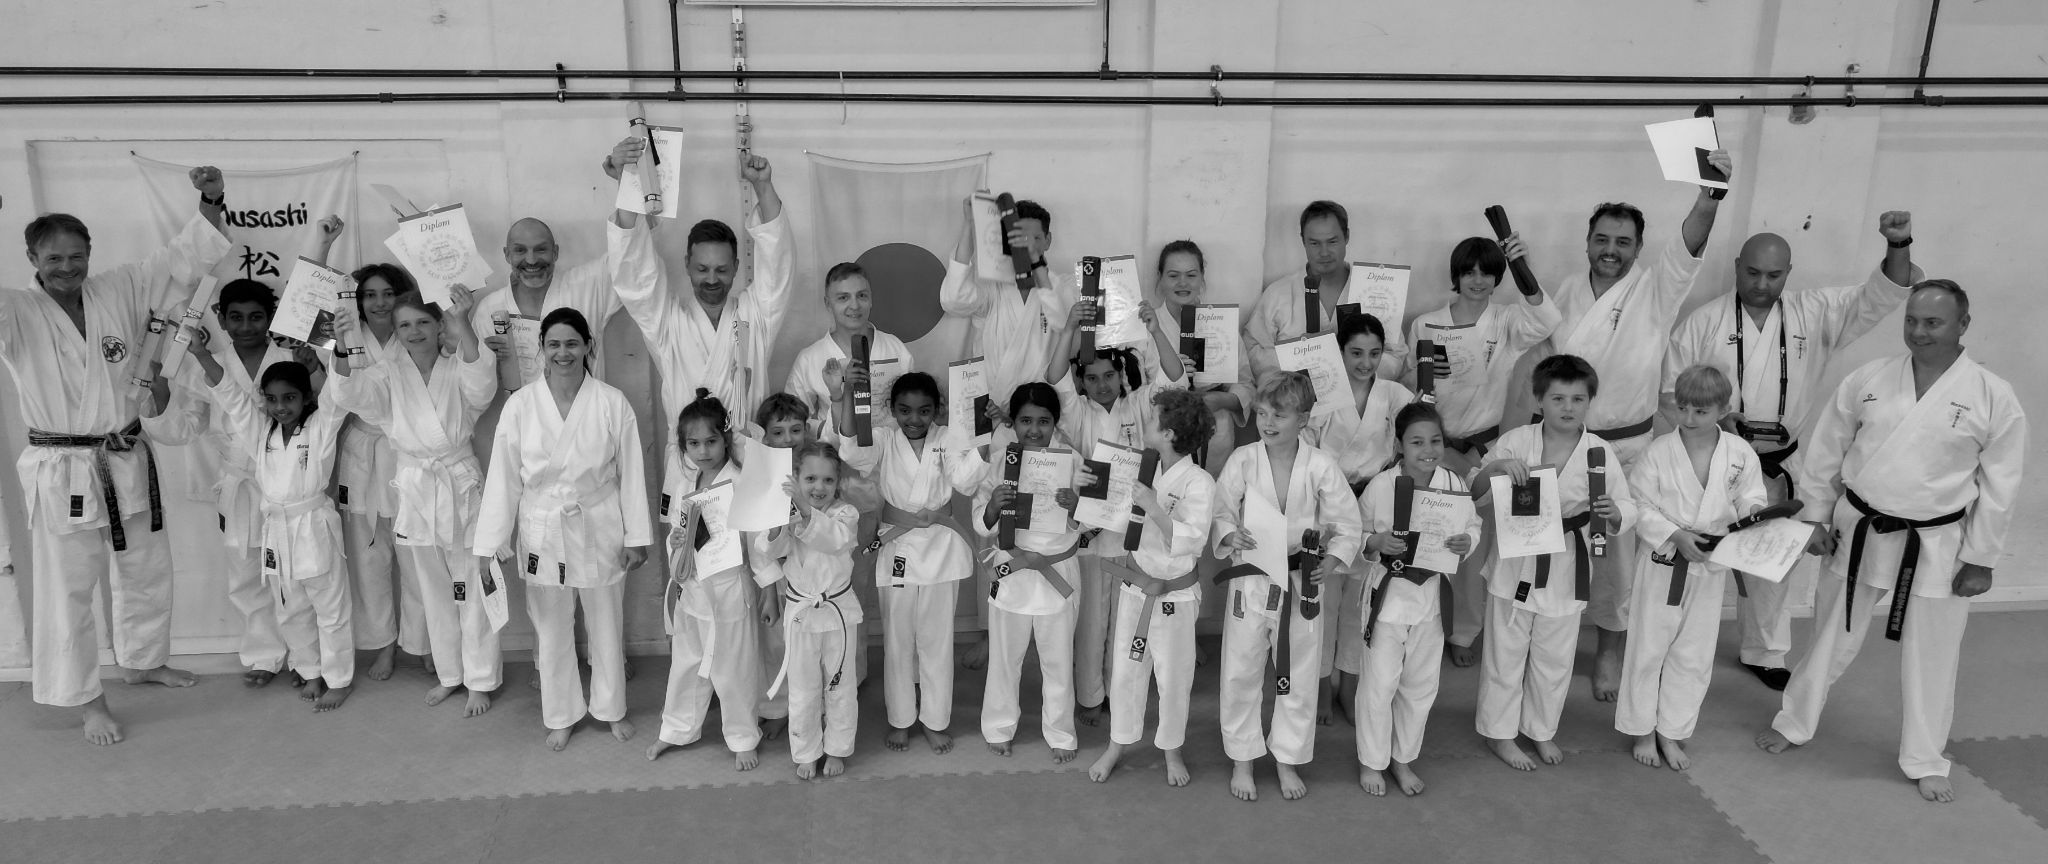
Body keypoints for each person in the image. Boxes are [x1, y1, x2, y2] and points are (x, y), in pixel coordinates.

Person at [1756, 280, 2026, 804]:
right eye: (1911, 320)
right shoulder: (1870, 378)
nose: (1919, 332)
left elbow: (2002, 485)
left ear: (1963, 325)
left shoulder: (1993, 395)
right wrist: (1814, 517)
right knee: (1829, 633)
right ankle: (1794, 722)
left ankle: (1925, 758)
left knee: (1933, 653)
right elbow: (1827, 450)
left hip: (1938, 542)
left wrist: (1982, 558)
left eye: (1933, 322)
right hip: (1859, 528)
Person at [2, 164, 231, 744]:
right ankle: (88, 700)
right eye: (53, 258)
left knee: (146, 569)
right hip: (64, 468)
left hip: (125, 453)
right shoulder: (17, 312)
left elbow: (182, 259)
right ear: (32, 259)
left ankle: (143, 661)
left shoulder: (118, 288)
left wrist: (211, 199)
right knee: (70, 589)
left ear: (90, 253)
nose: (67, 267)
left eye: (76, 255)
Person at [1662, 212, 1920, 690]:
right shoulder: (1702, 323)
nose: (1761, 284)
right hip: (1716, 457)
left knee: (1773, 558)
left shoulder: (1815, 312)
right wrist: (1715, 422)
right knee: (1699, 555)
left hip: (1782, 460)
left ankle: (1764, 651)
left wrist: (1898, 243)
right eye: (1752, 272)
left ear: (1788, 273)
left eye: (1773, 275)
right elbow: (1669, 393)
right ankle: (1674, 645)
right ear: (1736, 267)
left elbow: (1881, 294)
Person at [1546, 151, 1731, 702]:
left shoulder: (1656, 289)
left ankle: (1610, 648)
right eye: (1602, 239)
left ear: (1639, 248)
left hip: (1626, 448)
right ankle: (1548, 635)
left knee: (1616, 557)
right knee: (1553, 545)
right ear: (1587, 242)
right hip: (1564, 442)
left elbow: (1689, 244)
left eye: (1623, 242)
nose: (1611, 250)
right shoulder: (1565, 291)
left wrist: (1709, 195)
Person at [474, 308, 652, 751]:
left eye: (572, 343)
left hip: (599, 520)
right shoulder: (520, 405)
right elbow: (503, 478)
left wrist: (636, 538)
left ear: (588, 345)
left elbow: (631, 472)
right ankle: (561, 713)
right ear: (542, 349)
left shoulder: (611, 402)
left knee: (605, 620)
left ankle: (610, 708)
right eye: (553, 344)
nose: (563, 352)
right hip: (543, 525)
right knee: (551, 627)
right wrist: (490, 543)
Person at [329, 289, 500, 716]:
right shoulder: (387, 374)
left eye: (423, 322)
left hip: (458, 482)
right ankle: (450, 675)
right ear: (396, 331)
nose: (414, 331)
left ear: (439, 325)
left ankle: (480, 679)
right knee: (433, 589)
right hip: (417, 488)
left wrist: (463, 322)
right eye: (404, 325)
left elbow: (482, 386)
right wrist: (341, 344)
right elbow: (351, 396)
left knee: (473, 584)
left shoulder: (456, 366)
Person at [1472, 355, 1637, 771]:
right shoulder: (1516, 441)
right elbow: (1476, 489)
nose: (1568, 407)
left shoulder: (1599, 452)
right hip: (1516, 562)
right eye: (1558, 398)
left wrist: (1616, 512)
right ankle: (1499, 733)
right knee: (1505, 654)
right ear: (1539, 400)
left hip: (1567, 564)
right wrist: (1496, 467)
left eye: (1578, 399)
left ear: (1589, 402)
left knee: (1555, 659)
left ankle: (1541, 729)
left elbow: (1627, 504)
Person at [1406, 235, 1560, 667]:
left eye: (1487, 272)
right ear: (1455, 275)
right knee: (1429, 533)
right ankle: (1418, 626)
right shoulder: (1426, 324)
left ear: (1497, 277)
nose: (1477, 280)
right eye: (1469, 271)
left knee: (1473, 546)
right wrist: (1426, 377)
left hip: (1485, 446)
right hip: (1434, 447)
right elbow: (1407, 384)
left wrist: (1521, 263)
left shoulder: (1507, 320)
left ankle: (1465, 630)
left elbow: (1548, 319)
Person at [1211, 371, 1364, 802]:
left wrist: (1333, 560)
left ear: (1304, 418)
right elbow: (1220, 511)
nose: (1267, 422)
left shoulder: (1320, 465)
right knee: (1240, 669)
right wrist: (1229, 535)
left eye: (1279, 414)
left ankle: (1287, 758)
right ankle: (1242, 758)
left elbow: (1348, 523)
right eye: (1262, 413)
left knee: (1297, 672)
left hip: (1301, 581)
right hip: (1251, 579)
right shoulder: (1243, 459)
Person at [611, 151, 791, 512]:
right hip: (689, 467)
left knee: (757, 548)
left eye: (722, 270)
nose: (712, 279)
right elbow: (636, 277)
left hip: (747, 463)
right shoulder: (667, 322)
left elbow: (777, 263)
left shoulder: (755, 316)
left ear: (737, 267)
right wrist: (628, 183)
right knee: (687, 549)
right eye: (702, 269)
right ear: (687, 266)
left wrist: (763, 186)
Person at [942, 197, 1076, 674]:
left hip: (1038, 421)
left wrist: (1034, 265)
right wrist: (968, 225)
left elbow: (1062, 320)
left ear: (1047, 241)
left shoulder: (1060, 284)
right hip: (992, 419)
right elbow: (953, 299)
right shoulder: (993, 286)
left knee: (1043, 517)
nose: (1024, 245)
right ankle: (992, 624)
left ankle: (1047, 623)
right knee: (992, 518)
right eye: (1015, 238)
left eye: (1033, 237)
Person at [187, 334, 354, 710]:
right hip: (276, 531)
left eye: (290, 398)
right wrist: (199, 352)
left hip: (313, 527)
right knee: (290, 608)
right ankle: (310, 671)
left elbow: (338, 389)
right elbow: (229, 394)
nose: (280, 407)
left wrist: (342, 342)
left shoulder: (322, 426)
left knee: (331, 610)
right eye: (272, 399)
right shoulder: (260, 432)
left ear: (306, 398)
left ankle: (339, 679)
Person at [1617, 365, 1767, 770]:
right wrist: (1676, 535)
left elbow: (1750, 495)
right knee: (1647, 648)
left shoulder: (1739, 452)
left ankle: (1671, 731)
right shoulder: (1658, 451)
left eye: (1700, 411)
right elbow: (1639, 504)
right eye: (1682, 408)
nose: (1688, 418)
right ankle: (1641, 730)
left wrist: (1754, 512)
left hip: (1711, 562)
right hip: (1664, 560)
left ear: (1723, 410)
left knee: (1694, 654)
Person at [1045, 297, 1185, 725]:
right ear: (1082, 381)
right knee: (1092, 622)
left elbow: (1174, 378)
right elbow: (1054, 378)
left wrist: (1155, 330)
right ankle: (1090, 697)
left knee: (1127, 621)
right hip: (1090, 531)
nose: (1102, 384)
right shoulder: (1076, 412)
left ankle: (1121, 693)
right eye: (1092, 378)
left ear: (1122, 375)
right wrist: (1070, 328)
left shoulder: (1140, 405)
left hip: (1134, 530)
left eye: (1109, 375)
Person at [838, 372, 985, 755]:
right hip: (898, 546)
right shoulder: (885, 438)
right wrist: (849, 394)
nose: (914, 419)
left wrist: (985, 437)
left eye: (924, 411)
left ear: (936, 410)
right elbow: (852, 452)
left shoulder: (947, 438)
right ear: (892, 410)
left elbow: (965, 482)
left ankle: (935, 720)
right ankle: (901, 719)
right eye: (904, 410)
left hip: (940, 548)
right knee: (898, 639)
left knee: (937, 641)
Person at [1085, 388, 1216, 786]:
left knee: (1173, 676)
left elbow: (1193, 540)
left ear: (1170, 434)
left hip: (1174, 593)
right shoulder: (1146, 468)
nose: (1145, 422)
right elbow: (1112, 514)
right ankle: (1117, 743)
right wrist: (1087, 488)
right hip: (1136, 587)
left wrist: (1154, 506)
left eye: (1153, 418)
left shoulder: (1199, 481)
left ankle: (1171, 749)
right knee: (1126, 671)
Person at [1354, 402, 1479, 797]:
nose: (1428, 450)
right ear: (1399, 445)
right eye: (1417, 442)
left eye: (1436, 441)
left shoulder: (1453, 483)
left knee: (1421, 685)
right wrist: (1376, 541)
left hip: (1431, 598)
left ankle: (1402, 758)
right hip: (1388, 597)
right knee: (1379, 684)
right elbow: (1355, 534)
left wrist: (1467, 541)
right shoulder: (1381, 485)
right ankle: (1372, 761)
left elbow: (1472, 523)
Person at [646, 391, 765, 769]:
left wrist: (769, 586)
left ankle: (743, 736)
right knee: (686, 661)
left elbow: (758, 539)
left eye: (711, 441)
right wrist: (676, 543)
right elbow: (677, 533)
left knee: (735, 667)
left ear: (725, 439)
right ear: (683, 446)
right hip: (694, 587)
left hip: (730, 587)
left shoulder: (741, 481)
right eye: (694, 443)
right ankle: (675, 728)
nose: (703, 451)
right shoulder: (686, 484)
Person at [1305, 312, 1413, 724]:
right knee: (1323, 600)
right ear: (1339, 352)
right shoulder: (1321, 393)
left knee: (1359, 602)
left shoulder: (1394, 394)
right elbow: (1305, 449)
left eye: (1374, 353)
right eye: (1355, 353)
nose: (1365, 362)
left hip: (1373, 503)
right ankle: (1319, 686)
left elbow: (1416, 432)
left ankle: (1349, 684)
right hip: (1328, 504)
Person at [971, 382, 1087, 763]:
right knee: (1005, 658)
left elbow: (1091, 522)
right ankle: (998, 726)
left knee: (1058, 660)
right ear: (1013, 422)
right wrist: (993, 505)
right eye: (1025, 421)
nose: (1034, 429)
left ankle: (1060, 732)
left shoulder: (1073, 461)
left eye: (1043, 421)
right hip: (1013, 570)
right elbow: (980, 521)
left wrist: (1075, 506)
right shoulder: (1000, 461)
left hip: (1057, 571)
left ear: (1055, 422)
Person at [470, 139, 648, 387]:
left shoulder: (587, 286)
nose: (531, 260)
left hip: (584, 410)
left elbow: (627, 250)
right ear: (507, 255)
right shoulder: (489, 310)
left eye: (541, 249)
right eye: (520, 250)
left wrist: (625, 178)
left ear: (555, 252)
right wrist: (485, 361)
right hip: (519, 411)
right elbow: (476, 389)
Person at [337, 262, 427, 681]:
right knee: (369, 559)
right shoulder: (344, 334)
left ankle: (424, 642)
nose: (379, 303)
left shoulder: (416, 332)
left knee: (416, 557)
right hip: (362, 450)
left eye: (388, 293)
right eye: (369, 295)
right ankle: (384, 645)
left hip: (407, 450)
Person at [758, 442, 863, 780]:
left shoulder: (846, 514)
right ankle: (806, 751)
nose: (819, 487)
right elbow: (770, 549)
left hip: (838, 612)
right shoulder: (789, 512)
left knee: (840, 685)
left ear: (838, 482)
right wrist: (778, 523)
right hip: (801, 613)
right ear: (796, 479)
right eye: (810, 479)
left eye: (828, 480)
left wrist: (805, 510)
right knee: (803, 688)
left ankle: (837, 748)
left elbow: (834, 541)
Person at [1245, 201, 1409, 385]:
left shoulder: (1374, 291)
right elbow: (1254, 348)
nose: (1324, 252)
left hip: (1359, 397)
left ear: (1346, 236)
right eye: (1314, 243)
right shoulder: (1278, 294)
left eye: (1332, 242)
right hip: (1295, 397)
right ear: (1303, 241)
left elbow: (1395, 353)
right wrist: (1298, 368)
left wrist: (1353, 373)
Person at [1146, 240, 1256, 472]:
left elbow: (1246, 384)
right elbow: (1135, 391)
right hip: (1163, 431)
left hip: (1214, 430)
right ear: (1160, 278)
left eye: (1191, 275)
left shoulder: (1221, 323)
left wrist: (1220, 400)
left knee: (1210, 489)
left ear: (1202, 278)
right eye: (1173, 275)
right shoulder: (1147, 326)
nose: (1183, 283)